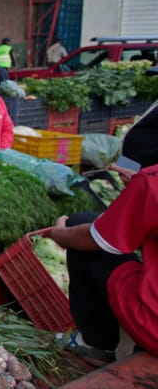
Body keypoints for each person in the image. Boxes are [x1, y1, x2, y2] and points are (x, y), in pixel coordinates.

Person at [48, 97, 158, 361]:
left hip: (153, 325)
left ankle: (98, 343)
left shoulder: (151, 186)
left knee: (80, 225)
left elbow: (96, 239)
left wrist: (60, 233)